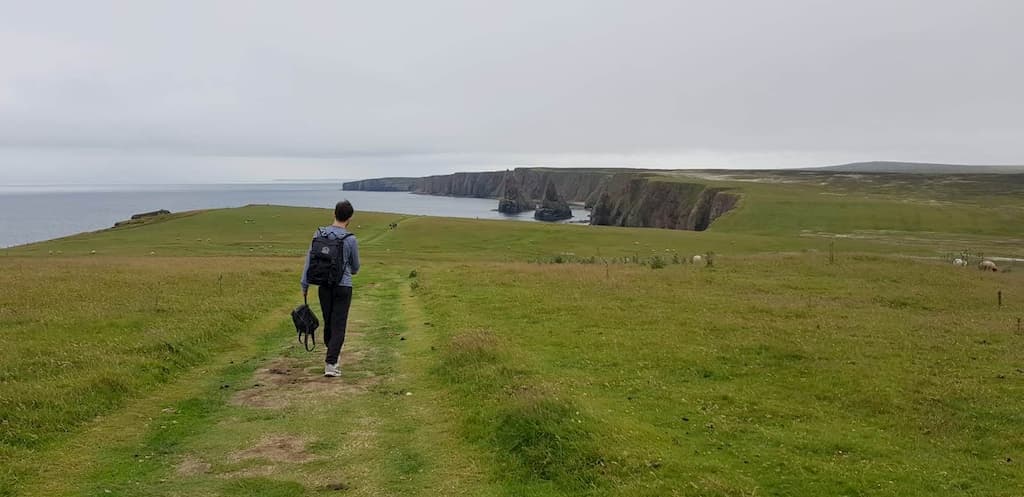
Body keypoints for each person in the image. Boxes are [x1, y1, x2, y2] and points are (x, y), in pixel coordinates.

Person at [301, 200, 360, 377]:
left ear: (334, 213)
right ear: (349, 218)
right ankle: (331, 362)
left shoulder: (319, 233)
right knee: (339, 324)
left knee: (329, 322)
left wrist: (305, 284)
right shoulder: (350, 239)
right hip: (343, 286)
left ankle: (331, 355)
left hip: (323, 285)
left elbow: (309, 260)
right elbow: (356, 267)